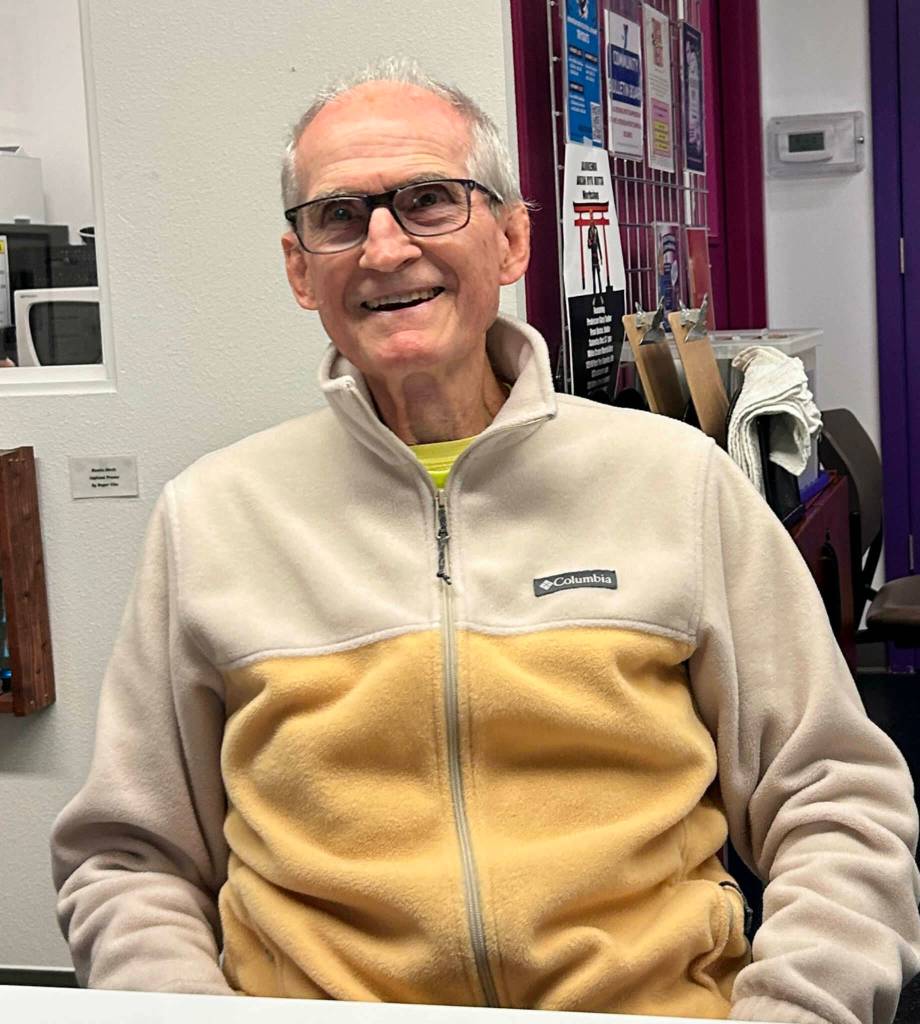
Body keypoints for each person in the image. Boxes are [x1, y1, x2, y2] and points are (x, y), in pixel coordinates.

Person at [51, 59, 920, 1023]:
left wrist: (796, 1008)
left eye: (430, 200)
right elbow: (129, 860)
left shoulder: (676, 483)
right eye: (339, 216)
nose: (384, 248)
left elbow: (837, 800)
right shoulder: (212, 516)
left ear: (511, 240)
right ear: (300, 269)